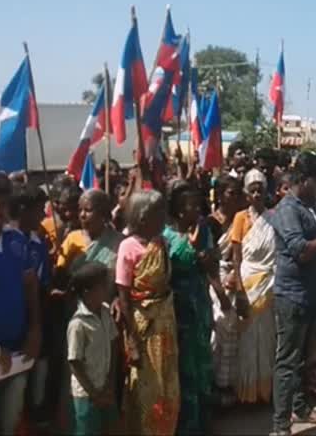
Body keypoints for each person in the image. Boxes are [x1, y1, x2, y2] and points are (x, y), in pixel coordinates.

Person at [269, 152, 316, 436]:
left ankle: (299, 406)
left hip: (313, 294)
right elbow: (301, 251)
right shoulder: (287, 210)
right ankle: (280, 424)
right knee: (287, 361)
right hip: (291, 296)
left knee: (304, 358)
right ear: (304, 180)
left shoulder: (312, 206)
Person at [0, 173, 41, 434]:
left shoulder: (17, 241)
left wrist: (35, 330)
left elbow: (31, 289)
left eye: (2, 204)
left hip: (17, 356)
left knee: (8, 425)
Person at [116, 190, 179, 436]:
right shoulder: (127, 247)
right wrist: (131, 338)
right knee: (145, 386)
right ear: (142, 218)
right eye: (158, 214)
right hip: (142, 327)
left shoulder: (160, 243)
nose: (164, 218)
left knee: (168, 384)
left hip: (165, 325)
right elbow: (123, 295)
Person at [163, 179, 219, 435]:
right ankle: (186, 425)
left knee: (202, 364)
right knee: (183, 367)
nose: (196, 210)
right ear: (177, 208)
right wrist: (192, 250)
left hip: (200, 303)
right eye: (190, 206)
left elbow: (211, 265)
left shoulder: (204, 230)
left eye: (198, 204)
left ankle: (205, 419)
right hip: (177, 307)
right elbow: (164, 270)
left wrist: (201, 254)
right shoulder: (165, 234)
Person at [226, 169, 278, 404]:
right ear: (246, 193)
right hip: (247, 283)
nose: (256, 194)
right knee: (247, 341)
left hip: (268, 284)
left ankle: (264, 393)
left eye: (261, 190)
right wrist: (238, 290)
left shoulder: (273, 218)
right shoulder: (240, 218)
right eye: (252, 190)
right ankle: (246, 394)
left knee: (266, 339)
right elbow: (236, 258)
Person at [8, 184, 52, 426]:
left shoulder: (39, 243)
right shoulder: (7, 241)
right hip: (11, 326)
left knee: (35, 382)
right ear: (23, 210)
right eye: (38, 210)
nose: (44, 216)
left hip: (36, 323)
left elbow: (43, 282)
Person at [67, 262, 118, 436]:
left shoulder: (104, 312)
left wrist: (110, 383)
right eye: (102, 286)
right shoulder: (78, 324)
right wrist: (95, 394)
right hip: (87, 395)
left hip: (105, 389)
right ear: (88, 292)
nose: (107, 289)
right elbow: (75, 363)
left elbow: (113, 343)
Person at [208, 175, 247, 406]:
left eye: (238, 193)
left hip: (240, 277)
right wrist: (220, 291)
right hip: (217, 282)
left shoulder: (243, 219)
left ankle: (230, 386)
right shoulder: (210, 224)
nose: (236, 197)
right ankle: (216, 387)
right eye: (231, 193)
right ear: (220, 195)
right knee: (218, 333)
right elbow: (209, 261)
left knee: (235, 332)